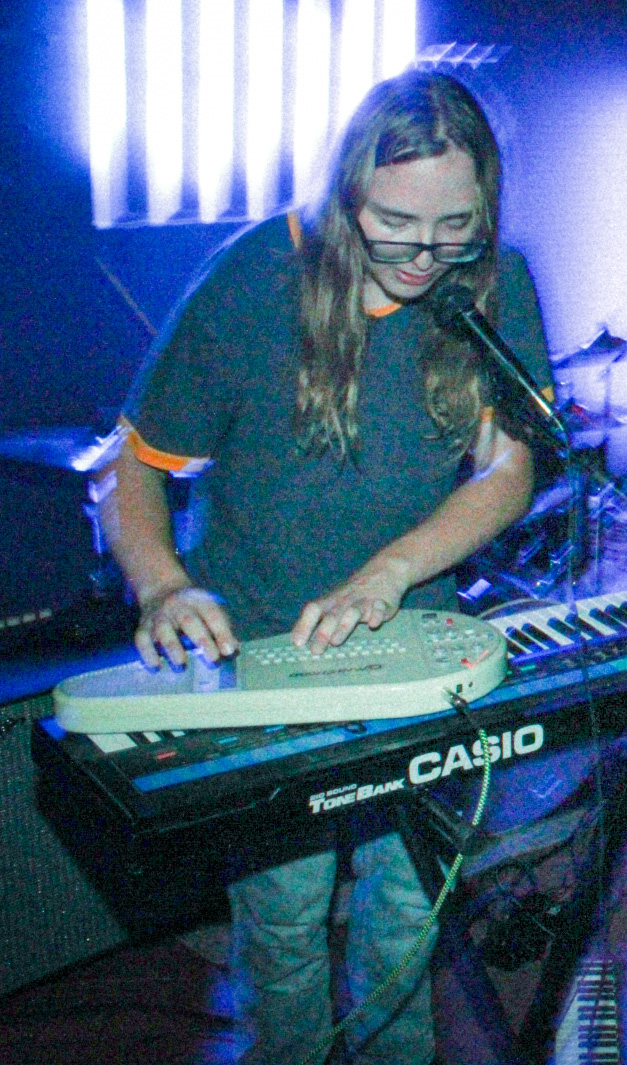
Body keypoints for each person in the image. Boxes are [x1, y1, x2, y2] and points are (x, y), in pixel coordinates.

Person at [106, 71, 553, 1065]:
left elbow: (509, 469)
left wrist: (390, 570)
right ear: (347, 192)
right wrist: (166, 585)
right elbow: (132, 468)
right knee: (286, 928)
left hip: (421, 646)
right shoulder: (252, 278)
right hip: (267, 647)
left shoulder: (492, 278)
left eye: (457, 225)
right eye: (397, 222)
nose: (427, 254)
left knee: (405, 918)